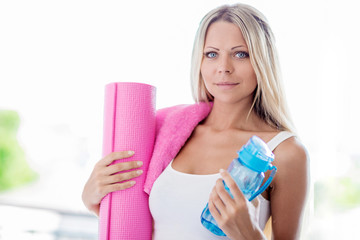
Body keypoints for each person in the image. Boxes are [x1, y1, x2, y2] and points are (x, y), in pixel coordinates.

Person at [82, 3, 309, 240]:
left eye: (240, 54)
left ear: (262, 61)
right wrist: (93, 202)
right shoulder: (168, 133)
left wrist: (249, 235)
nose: (224, 68)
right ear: (199, 63)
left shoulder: (285, 152)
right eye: (212, 54)